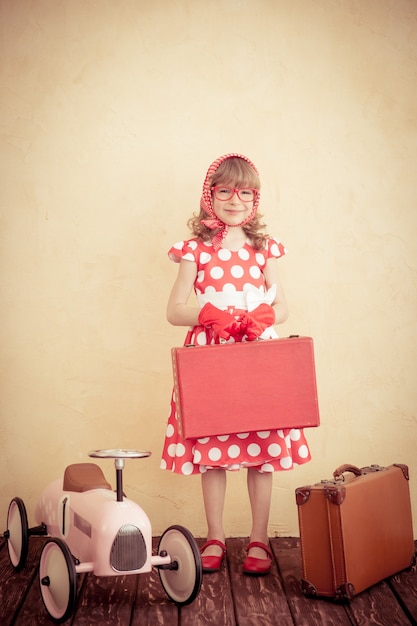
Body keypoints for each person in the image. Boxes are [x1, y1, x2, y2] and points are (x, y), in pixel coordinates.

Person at [160, 153, 311, 576]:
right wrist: (210, 315)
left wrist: (263, 316)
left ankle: (259, 538)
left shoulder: (264, 248)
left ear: (255, 199)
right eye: (225, 190)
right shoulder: (194, 250)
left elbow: (281, 305)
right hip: (210, 350)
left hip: (258, 348)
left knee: (261, 450)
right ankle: (215, 536)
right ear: (210, 196)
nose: (235, 200)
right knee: (214, 448)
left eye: (245, 191)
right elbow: (175, 310)